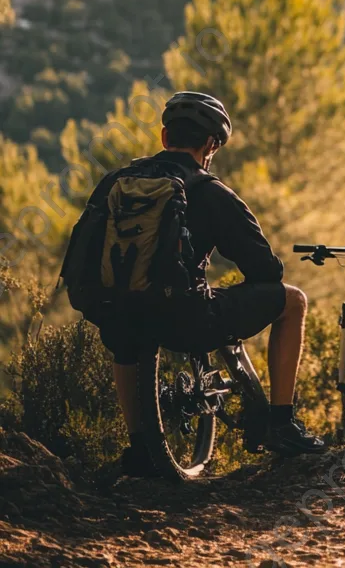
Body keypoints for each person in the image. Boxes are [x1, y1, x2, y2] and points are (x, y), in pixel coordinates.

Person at [90, 91, 324, 474]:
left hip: (116, 317)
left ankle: (139, 448)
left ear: (165, 138)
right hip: (186, 322)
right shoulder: (211, 192)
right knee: (293, 301)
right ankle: (282, 424)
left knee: (124, 333)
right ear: (212, 145)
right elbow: (266, 273)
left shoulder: (114, 183)